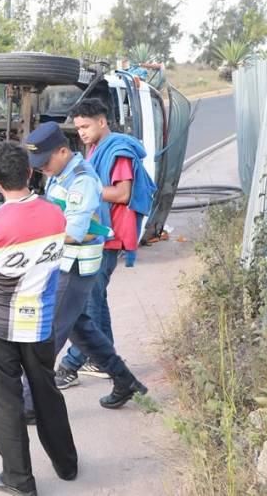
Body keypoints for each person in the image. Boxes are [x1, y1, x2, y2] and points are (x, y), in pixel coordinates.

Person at [0, 141, 77, 496]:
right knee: (45, 391)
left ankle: (18, 480)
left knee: (6, 401)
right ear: (30, 173)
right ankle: (66, 463)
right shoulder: (56, 214)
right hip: (41, 322)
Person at [22, 122, 148, 410]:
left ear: (63, 151)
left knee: (49, 333)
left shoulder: (81, 180)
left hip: (76, 267)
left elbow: (73, 231)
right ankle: (125, 381)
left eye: (45, 162)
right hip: (62, 264)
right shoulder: (60, 173)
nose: (43, 169)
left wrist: (30, 236)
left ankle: (27, 405)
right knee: (81, 329)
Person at [57, 98, 158, 384]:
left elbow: (122, 194)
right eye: (78, 128)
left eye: (86, 126)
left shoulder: (119, 151)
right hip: (98, 236)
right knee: (94, 301)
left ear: (102, 121)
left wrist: (83, 191)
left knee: (85, 305)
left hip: (108, 236)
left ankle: (70, 365)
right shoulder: (94, 150)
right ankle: (108, 363)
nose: (82, 133)